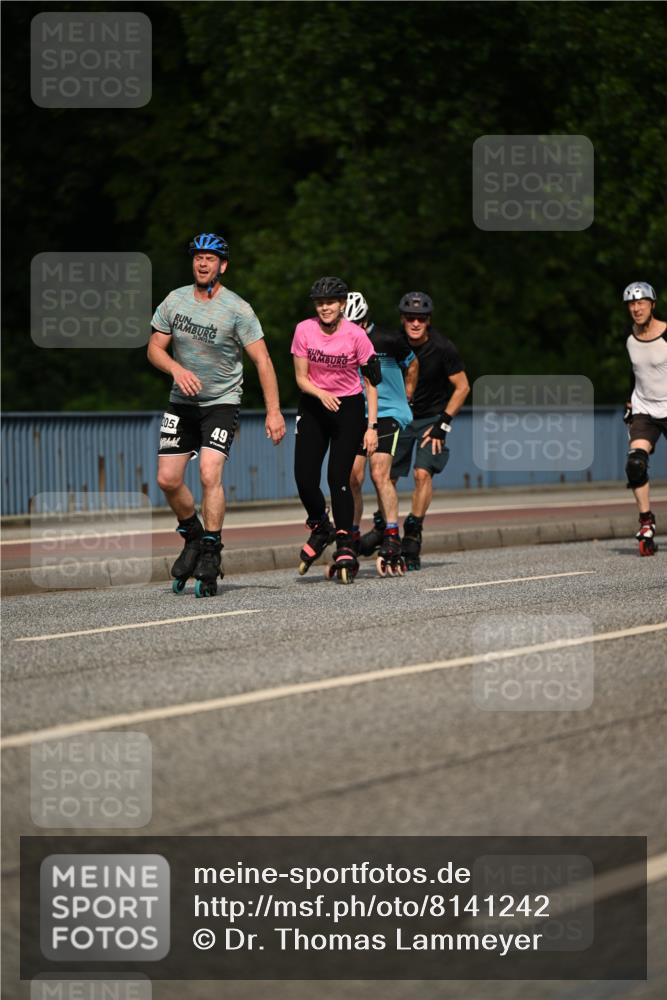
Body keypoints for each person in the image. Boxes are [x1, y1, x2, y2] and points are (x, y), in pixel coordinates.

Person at [148, 232, 286, 596]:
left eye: (210, 258)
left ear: (222, 266)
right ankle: (192, 535)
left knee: (210, 473)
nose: (203, 263)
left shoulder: (238, 309)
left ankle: (211, 549)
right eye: (198, 257)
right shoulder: (174, 301)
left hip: (221, 403)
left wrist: (274, 412)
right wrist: (176, 370)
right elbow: (154, 349)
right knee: (167, 479)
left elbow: (263, 360)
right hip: (181, 403)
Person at [292, 277, 380, 584]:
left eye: (330, 303)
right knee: (304, 478)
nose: (325, 308)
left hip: (349, 409)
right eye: (320, 303)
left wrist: (372, 427)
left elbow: (371, 383)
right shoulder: (304, 330)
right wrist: (320, 394)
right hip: (315, 405)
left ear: (342, 304)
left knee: (338, 478)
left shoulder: (357, 336)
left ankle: (344, 541)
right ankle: (321, 527)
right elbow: (301, 378)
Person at [390, 291, 470, 569]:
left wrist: (442, 424)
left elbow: (463, 387)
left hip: (430, 420)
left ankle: (412, 533)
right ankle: (387, 532)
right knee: (386, 477)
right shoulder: (393, 343)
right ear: (402, 319)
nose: (415, 323)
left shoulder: (443, 347)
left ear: (428, 320)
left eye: (421, 319)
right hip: (399, 418)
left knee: (422, 473)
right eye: (410, 318)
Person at [345, 291, 419, 575]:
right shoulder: (342, 343)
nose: (353, 331)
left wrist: (408, 393)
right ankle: (350, 536)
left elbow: (412, 363)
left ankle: (391, 536)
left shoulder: (388, 340)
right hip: (359, 415)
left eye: (357, 324)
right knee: (352, 476)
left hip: (388, 413)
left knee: (379, 474)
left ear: (366, 321)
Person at [622, 281, 666, 556]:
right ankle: (646, 522)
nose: (636, 308)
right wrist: (629, 400)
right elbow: (636, 371)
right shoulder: (628, 338)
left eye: (641, 303)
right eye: (631, 304)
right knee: (635, 464)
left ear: (652, 304)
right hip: (644, 409)